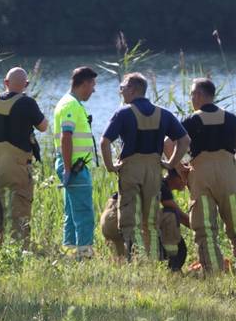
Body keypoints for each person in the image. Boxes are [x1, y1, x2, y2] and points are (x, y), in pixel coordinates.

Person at [100, 72, 189, 263]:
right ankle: (152, 260)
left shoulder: (123, 113)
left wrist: (110, 166)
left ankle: (133, 261)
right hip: (154, 170)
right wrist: (170, 163)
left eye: (122, 88)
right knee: (150, 220)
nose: (121, 91)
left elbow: (104, 142)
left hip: (131, 169)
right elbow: (184, 140)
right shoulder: (163, 113)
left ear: (132, 89)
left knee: (129, 219)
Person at [181, 78, 236, 273]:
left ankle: (213, 270)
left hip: (201, 177)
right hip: (228, 176)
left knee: (205, 229)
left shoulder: (190, 120)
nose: (191, 98)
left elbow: (169, 143)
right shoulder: (231, 118)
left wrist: (179, 167)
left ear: (199, 95)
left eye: (192, 94)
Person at [0, 68, 47, 250]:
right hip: (15, 165)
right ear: (26, 85)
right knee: (17, 212)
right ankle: (18, 251)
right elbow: (43, 126)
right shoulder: (27, 103)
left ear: (5, 82)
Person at [100, 168, 189, 271]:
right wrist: (202, 229)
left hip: (108, 221)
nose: (187, 182)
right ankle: (172, 267)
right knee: (170, 215)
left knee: (124, 266)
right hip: (120, 218)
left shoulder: (151, 182)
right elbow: (181, 217)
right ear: (177, 177)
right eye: (186, 177)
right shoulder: (160, 185)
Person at [54, 67, 98, 258]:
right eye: (92, 85)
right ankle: (85, 254)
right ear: (85, 83)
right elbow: (66, 136)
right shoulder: (70, 105)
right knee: (84, 212)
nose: (93, 90)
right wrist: (68, 168)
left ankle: (70, 251)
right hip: (74, 166)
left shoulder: (72, 103)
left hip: (73, 165)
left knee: (72, 213)